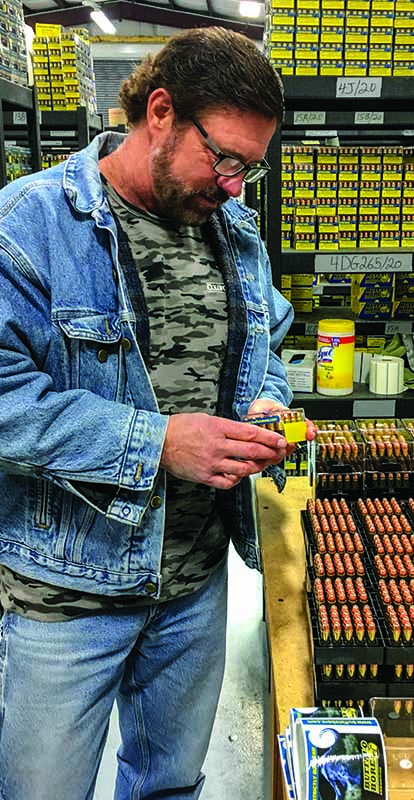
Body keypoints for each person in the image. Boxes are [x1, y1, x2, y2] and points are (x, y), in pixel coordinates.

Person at [0, 26, 314, 800]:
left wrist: (265, 397)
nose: (238, 184)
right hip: (68, 594)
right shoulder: (30, 225)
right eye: (227, 158)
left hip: (194, 586)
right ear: (162, 112)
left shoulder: (232, 229)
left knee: (171, 785)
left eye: (253, 166)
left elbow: (264, 335)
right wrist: (157, 442)